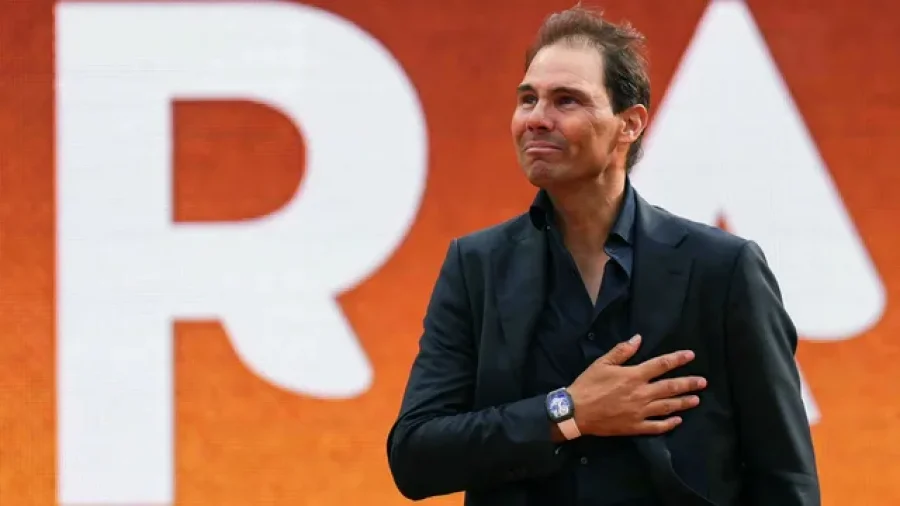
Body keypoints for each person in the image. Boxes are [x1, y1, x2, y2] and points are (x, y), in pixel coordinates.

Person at [386, 6, 820, 506]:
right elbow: (415, 456)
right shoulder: (476, 266)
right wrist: (567, 412)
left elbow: (786, 478)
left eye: (566, 100)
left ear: (629, 124)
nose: (536, 119)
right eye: (527, 99)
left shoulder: (723, 270)